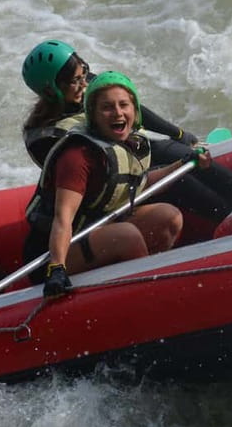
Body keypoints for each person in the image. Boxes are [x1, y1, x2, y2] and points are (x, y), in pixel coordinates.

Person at [22, 71, 211, 297]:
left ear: (135, 110)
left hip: (95, 230)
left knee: (168, 218)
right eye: (107, 107)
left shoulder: (127, 143)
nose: (118, 113)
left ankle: (125, 279)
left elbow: (140, 184)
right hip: (52, 253)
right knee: (126, 236)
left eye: (124, 105)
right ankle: (148, 293)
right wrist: (56, 268)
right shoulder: (78, 156)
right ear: (92, 114)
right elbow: (62, 218)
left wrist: (182, 164)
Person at [21, 40, 232, 223]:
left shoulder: (85, 85)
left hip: (130, 155)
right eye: (75, 81)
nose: (84, 82)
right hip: (111, 190)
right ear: (51, 90)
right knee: (178, 178)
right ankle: (231, 219)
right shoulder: (45, 139)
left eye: (83, 72)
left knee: (181, 154)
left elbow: (132, 107)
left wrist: (178, 133)